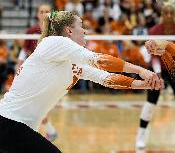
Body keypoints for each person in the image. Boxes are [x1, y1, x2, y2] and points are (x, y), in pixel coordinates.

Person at [0, 11, 163, 153]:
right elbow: (99, 60)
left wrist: (142, 84)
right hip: (9, 122)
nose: (84, 30)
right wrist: (141, 70)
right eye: (81, 25)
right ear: (69, 30)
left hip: (16, 128)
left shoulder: (73, 61)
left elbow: (106, 78)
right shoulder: (55, 42)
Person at [135, 4, 175, 149]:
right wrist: (157, 73)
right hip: (157, 68)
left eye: (171, 13)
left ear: (174, 14)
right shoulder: (154, 31)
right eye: (166, 13)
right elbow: (153, 55)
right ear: (162, 15)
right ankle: (141, 135)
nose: (168, 15)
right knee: (151, 102)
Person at [16, 4, 58, 142]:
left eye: (47, 11)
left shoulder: (57, 31)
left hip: (50, 73)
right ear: (38, 14)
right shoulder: (31, 31)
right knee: (34, 105)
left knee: (37, 106)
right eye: (42, 11)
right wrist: (19, 64)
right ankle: (48, 132)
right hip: (33, 73)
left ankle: (43, 132)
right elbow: (25, 50)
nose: (44, 14)